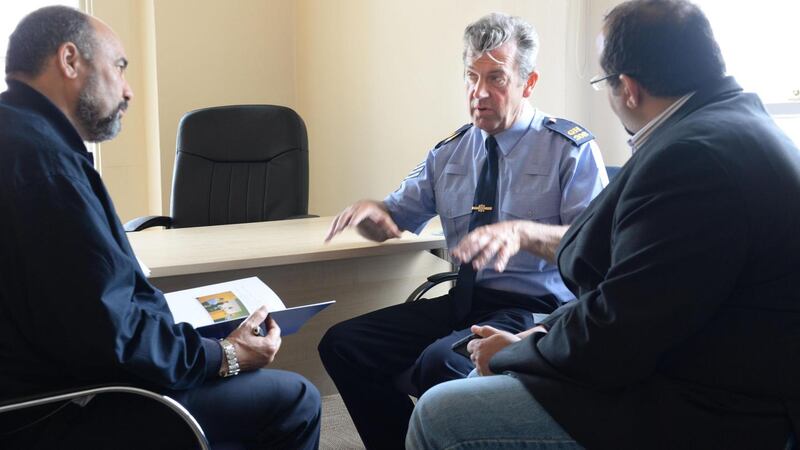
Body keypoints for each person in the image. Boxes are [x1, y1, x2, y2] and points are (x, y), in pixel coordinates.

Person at [407, 1, 800, 449]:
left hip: (718, 407)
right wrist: (537, 335)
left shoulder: (691, 158)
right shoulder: (734, 128)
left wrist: (516, 352)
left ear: (628, 88)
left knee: (439, 414)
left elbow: (620, 333)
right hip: (704, 361)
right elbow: (637, 293)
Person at [0, 6, 319, 449]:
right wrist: (225, 355)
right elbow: (112, 340)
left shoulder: (20, 137)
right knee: (296, 398)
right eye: (119, 67)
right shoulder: (46, 166)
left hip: (32, 388)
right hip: (62, 408)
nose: (128, 90)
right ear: (70, 61)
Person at [319, 12, 607, 450]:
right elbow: (396, 217)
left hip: (535, 310)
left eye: (496, 78)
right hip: (465, 301)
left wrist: (522, 233)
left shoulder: (570, 149)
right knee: (343, 344)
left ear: (528, 84)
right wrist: (372, 216)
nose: (479, 93)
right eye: (472, 77)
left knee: (440, 366)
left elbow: (596, 251)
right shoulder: (450, 152)